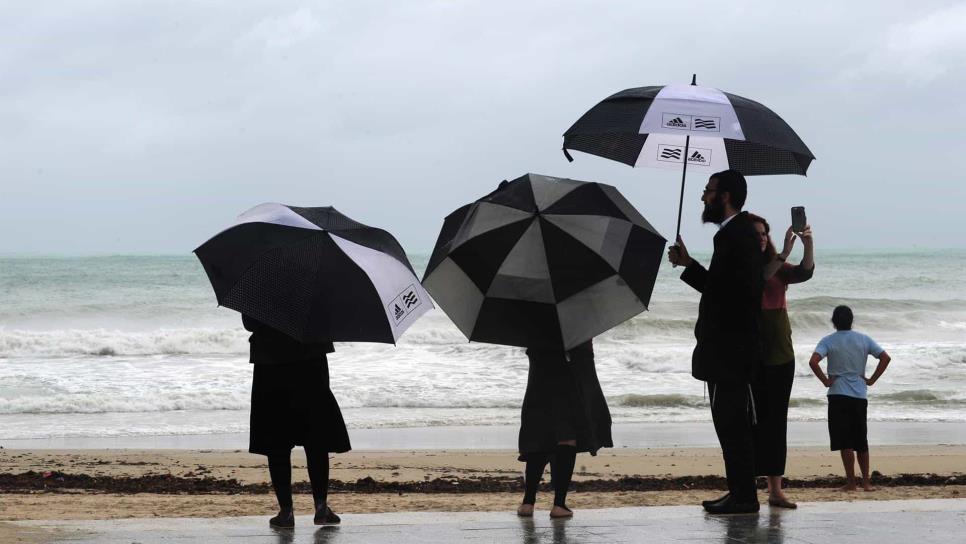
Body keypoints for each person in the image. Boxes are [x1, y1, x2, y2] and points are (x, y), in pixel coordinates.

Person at [668, 169, 765, 514]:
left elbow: (737, 295)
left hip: (731, 351)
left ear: (724, 196)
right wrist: (689, 264)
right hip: (728, 350)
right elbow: (722, 288)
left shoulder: (736, 235)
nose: (703, 197)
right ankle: (739, 492)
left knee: (733, 424)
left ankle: (744, 496)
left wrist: (692, 268)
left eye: (708, 191)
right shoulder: (732, 234)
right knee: (728, 424)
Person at [243, 314, 351, 529]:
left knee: (277, 443)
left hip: (270, 363)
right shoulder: (316, 282)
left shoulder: (257, 283)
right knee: (315, 439)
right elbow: (326, 320)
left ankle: (286, 512)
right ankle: (321, 507)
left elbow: (250, 323)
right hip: (311, 360)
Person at [749, 215, 815, 508]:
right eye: (756, 234)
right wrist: (784, 253)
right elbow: (759, 278)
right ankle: (747, 486)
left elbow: (805, 272)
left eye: (765, 233)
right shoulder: (743, 268)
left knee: (776, 423)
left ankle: (775, 490)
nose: (762, 237)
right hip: (751, 355)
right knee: (751, 422)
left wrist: (808, 244)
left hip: (781, 355)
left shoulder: (779, 268)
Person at [516, 340, 612, 519]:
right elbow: (584, 346)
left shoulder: (533, 316)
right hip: (571, 372)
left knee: (540, 436)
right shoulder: (576, 316)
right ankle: (559, 505)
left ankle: (527, 503)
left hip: (540, 373)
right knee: (566, 437)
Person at [808, 305, 891, 492]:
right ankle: (866, 482)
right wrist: (871, 380)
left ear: (833, 322)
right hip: (859, 395)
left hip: (837, 394)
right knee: (861, 439)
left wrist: (825, 381)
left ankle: (851, 483)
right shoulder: (863, 339)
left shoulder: (828, 340)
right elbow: (885, 358)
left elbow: (813, 362)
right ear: (851, 320)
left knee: (844, 440)